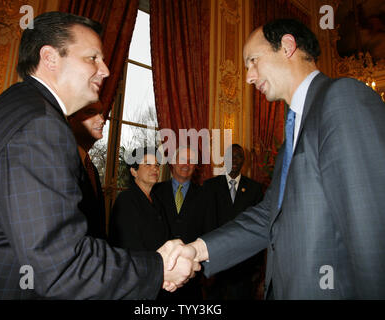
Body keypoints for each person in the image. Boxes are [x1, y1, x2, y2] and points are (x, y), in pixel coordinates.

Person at [0, 11, 198, 299]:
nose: (105, 70)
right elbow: (61, 266)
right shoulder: (41, 125)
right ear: (50, 58)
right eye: (92, 58)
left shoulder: (1, 108)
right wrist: (158, 268)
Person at [167, 19, 385, 299]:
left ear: (287, 46)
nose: (248, 76)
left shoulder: (343, 100)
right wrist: (197, 249)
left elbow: (373, 238)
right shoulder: (291, 137)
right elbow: (267, 217)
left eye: (253, 61)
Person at [202, 144, 264, 299]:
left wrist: (257, 268)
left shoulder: (255, 189)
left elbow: (259, 226)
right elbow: (206, 223)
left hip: (243, 267)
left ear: (244, 160)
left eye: (238, 156)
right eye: (230, 156)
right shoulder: (210, 186)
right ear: (224, 160)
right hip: (216, 264)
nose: (234, 160)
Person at [155, 146, 215, 300]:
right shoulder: (155, 191)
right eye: (182, 160)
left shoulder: (205, 195)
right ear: (173, 163)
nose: (186, 164)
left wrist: (206, 271)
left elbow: (209, 231)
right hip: (159, 272)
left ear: (195, 167)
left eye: (191, 161)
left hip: (192, 276)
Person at [108, 147, 170, 251]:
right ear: (134, 171)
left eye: (157, 165)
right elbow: (128, 245)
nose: (154, 169)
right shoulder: (126, 200)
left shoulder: (157, 200)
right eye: (148, 164)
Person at [68, 102, 107, 239]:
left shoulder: (92, 169)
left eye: (101, 114)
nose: (102, 120)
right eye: (91, 112)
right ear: (70, 119)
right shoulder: (60, 164)